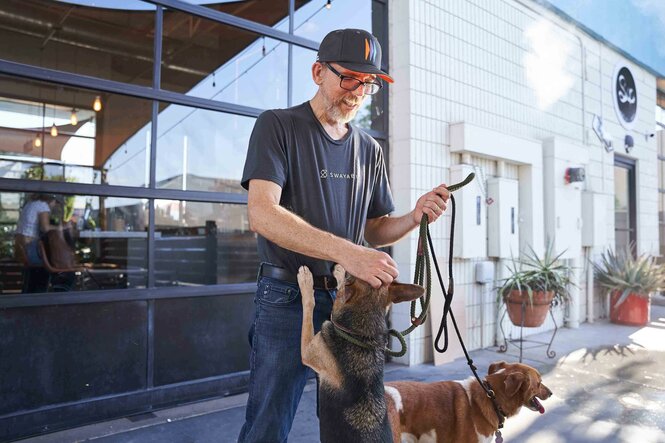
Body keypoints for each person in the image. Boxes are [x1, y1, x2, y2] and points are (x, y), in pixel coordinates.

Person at [238, 28, 450, 442]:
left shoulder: (370, 150)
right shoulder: (278, 126)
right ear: (319, 71)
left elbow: (376, 228)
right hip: (286, 299)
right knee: (268, 424)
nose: (356, 91)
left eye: (367, 82)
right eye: (348, 77)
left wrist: (413, 216)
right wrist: (348, 254)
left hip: (349, 309)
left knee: (352, 431)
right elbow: (262, 214)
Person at [14, 193, 63, 293]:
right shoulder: (42, 205)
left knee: (31, 275)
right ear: (52, 199)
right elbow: (45, 228)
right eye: (56, 203)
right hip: (29, 244)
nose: (54, 206)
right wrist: (62, 228)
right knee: (45, 270)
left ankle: (28, 300)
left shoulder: (30, 203)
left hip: (20, 244)